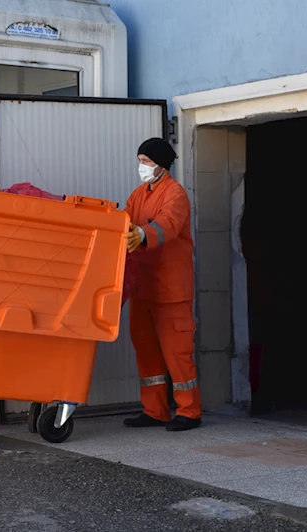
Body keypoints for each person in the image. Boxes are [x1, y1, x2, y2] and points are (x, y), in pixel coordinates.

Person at [122, 138, 202, 431]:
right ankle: (154, 410)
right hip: (143, 288)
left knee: (177, 354)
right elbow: (123, 220)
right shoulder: (138, 194)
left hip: (171, 291)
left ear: (161, 165)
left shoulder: (175, 195)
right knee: (146, 351)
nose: (141, 166)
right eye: (140, 160)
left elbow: (168, 223)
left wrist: (142, 234)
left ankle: (189, 411)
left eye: (146, 161)